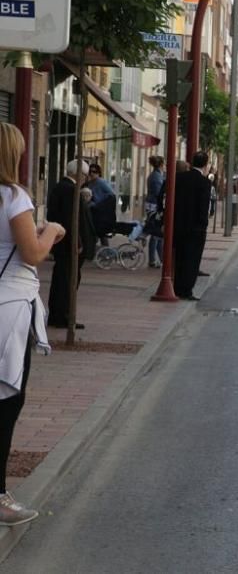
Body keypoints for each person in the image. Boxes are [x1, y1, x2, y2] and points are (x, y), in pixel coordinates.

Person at [0, 122, 65, 526]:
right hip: (9, 307)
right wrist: (52, 231)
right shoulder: (13, 197)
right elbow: (32, 254)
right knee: (8, 399)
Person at [46, 159, 92, 329]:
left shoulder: (59, 187)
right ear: (78, 174)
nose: (85, 179)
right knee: (68, 280)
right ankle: (63, 315)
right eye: (85, 175)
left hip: (61, 243)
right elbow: (71, 220)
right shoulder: (71, 190)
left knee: (61, 278)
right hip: (68, 245)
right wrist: (77, 242)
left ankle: (57, 315)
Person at [173, 151, 212, 300]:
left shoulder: (179, 178)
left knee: (180, 257)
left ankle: (176, 286)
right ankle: (186, 290)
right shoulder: (205, 182)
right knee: (192, 259)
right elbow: (204, 206)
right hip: (196, 228)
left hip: (179, 225)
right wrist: (203, 224)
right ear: (205, 165)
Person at [87, 163, 116, 245]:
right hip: (94, 211)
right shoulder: (90, 183)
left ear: (98, 173)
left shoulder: (101, 182)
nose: (92, 173)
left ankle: (107, 253)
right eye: (90, 171)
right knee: (97, 232)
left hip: (100, 211)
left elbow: (111, 194)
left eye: (94, 171)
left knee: (101, 233)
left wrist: (98, 203)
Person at [145, 156, 165, 268]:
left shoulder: (154, 175)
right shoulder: (157, 177)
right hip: (154, 207)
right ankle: (152, 260)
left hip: (151, 205)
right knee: (155, 234)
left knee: (157, 234)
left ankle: (160, 259)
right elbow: (159, 193)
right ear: (161, 164)